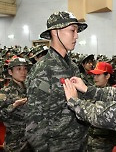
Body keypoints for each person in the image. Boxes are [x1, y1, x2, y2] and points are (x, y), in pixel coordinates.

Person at [25, 11, 89, 152]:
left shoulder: (71, 66)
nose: (76, 36)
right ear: (55, 32)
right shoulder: (43, 70)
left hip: (79, 143)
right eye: (72, 30)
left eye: (77, 31)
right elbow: (34, 124)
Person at [0, 56, 32, 152]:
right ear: (10, 72)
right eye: (18, 69)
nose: (23, 72)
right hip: (15, 143)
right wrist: (13, 106)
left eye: (25, 69)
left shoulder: (31, 89)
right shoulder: (4, 93)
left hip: (33, 140)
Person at [86, 61, 116, 152]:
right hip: (90, 139)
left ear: (107, 76)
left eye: (98, 75)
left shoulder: (113, 94)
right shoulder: (93, 90)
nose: (95, 78)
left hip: (103, 142)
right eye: (94, 75)